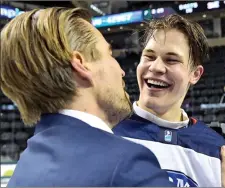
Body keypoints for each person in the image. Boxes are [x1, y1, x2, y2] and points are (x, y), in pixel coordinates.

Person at [0, 7, 175, 187]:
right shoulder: (126, 167)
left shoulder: (24, 170)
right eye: (109, 54)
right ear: (82, 65)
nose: (122, 71)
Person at [113, 14, 225, 187]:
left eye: (171, 60)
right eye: (149, 56)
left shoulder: (217, 150)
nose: (155, 67)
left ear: (195, 74)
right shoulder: (106, 130)